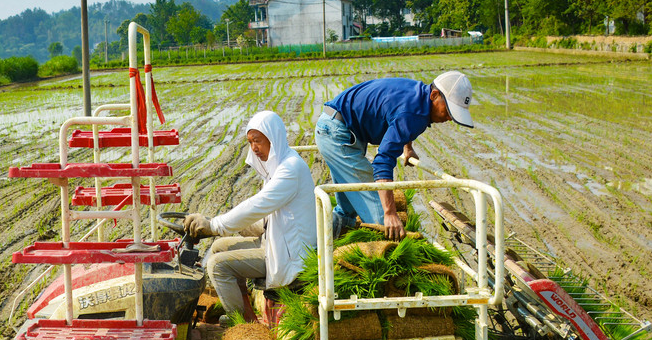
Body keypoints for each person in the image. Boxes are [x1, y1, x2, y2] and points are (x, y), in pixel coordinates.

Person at [185, 110, 318, 316]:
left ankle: (243, 327)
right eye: (250, 142)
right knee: (219, 246)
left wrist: (214, 226)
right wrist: (220, 225)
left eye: (258, 141)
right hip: (274, 241)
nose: (254, 148)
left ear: (273, 138)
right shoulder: (277, 166)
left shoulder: (290, 169)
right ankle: (248, 312)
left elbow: (257, 205)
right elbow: (265, 215)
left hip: (289, 254)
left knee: (217, 266)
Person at [315, 71, 473, 241]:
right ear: (435, 95)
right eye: (448, 110)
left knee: (348, 208)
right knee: (380, 213)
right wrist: (390, 213)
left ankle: (325, 251)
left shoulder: (418, 95)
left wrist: (408, 146)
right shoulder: (414, 112)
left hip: (341, 127)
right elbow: (382, 161)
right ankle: (381, 259)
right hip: (337, 132)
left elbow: (398, 120)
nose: (449, 118)